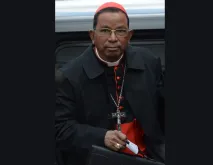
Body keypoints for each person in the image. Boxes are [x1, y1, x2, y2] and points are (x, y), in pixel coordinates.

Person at [55, 2, 165, 165]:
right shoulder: (70, 76)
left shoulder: (148, 62)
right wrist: (101, 136)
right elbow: (60, 129)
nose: (113, 39)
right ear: (92, 35)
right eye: (105, 31)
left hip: (148, 157)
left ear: (129, 35)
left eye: (120, 31)